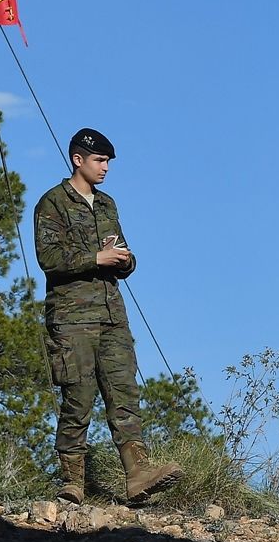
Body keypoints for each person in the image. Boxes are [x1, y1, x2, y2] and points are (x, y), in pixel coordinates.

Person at [35, 128, 182, 505]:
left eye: (107, 162)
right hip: (71, 318)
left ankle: (138, 474)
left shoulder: (106, 205)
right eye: (99, 161)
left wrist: (124, 259)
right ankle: (72, 483)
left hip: (112, 314)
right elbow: (48, 259)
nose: (105, 168)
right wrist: (95, 259)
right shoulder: (52, 203)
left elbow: (122, 255)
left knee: (124, 394)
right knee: (78, 398)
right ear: (77, 159)